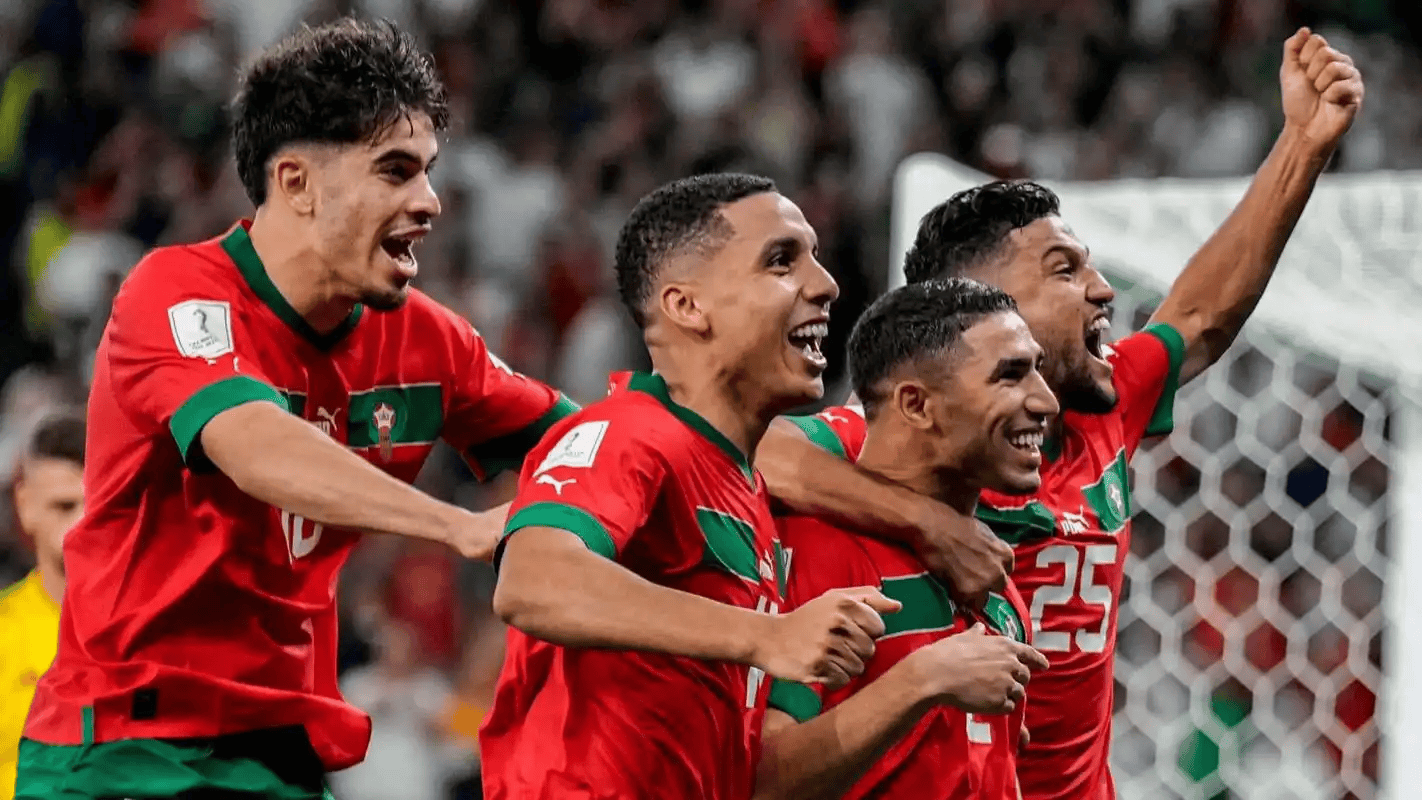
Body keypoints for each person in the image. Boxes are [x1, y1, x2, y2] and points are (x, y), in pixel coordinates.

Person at [755, 28, 1364, 800]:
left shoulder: (1102, 406)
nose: (1103, 290)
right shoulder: (898, 437)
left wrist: (1304, 144)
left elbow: (1201, 315)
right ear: (987, 308)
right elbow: (762, 450)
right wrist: (930, 524)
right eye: (1065, 270)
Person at [17, 19, 577, 800]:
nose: (430, 201)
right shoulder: (174, 295)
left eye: (428, 172)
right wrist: (457, 525)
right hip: (122, 751)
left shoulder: (428, 343)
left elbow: (593, 445)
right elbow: (254, 444)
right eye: (395, 170)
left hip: (276, 759)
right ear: (296, 183)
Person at [481, 173, 899, 800]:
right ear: (687, 307)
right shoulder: (628, 431)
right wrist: (770, 635)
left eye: (814, 256)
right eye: (781, 260)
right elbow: (533, 582)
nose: (825, 283)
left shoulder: (741, 486)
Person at [754, 279, 1052, 799]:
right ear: (915, 405)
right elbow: (761, 783)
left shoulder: (983, 567)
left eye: (1038, 370)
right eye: (1010, 375)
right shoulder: (823, 555)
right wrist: (922, 680)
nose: (1046, 401)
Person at [0, 411, 84, 800]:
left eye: (96, 506)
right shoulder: (5, 633)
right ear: (25, 505)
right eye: (64, 507)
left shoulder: (153, 635)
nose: (81, 524)